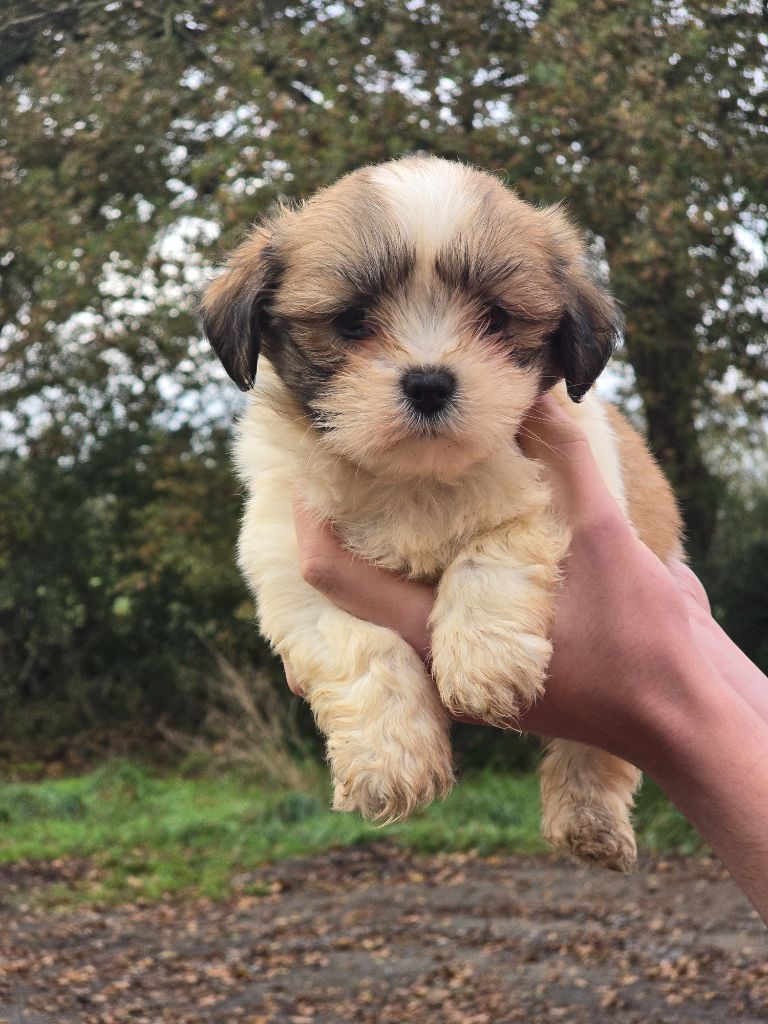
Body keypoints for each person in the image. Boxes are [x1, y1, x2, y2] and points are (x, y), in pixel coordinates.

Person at [288, 393, 768, 924]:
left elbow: (567, 547)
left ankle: (591, 780)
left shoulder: (550, 430)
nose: (429, 362)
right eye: (355, 327)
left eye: (493, 325)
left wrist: (668, 708)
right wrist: (374, 699)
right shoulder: (291, 447)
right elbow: (295, 582)